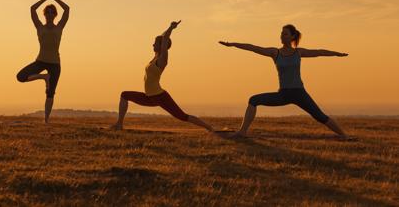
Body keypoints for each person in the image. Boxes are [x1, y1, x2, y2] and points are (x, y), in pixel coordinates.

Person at [219, 24, 352, 139]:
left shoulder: (298, 52)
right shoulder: (275, 52)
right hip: (283, 94)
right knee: (253, 100)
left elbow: (319, 52)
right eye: (281, 33)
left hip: (299, 93)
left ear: (292, 36)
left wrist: (337, 54)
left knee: (320, 116)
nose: (282, 36)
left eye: (285, 33)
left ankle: (344, 135)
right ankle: (242, 132)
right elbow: (253, 47)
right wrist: (232, 44)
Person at [110, 21, 214, 132]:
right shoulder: (155, 57)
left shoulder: (162, 59)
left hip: (159, 96)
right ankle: (119, 125)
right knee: (124, 95)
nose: (153, 44)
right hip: (149, 96)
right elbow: (162, 37)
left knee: (182, 116)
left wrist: (170, 28)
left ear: (162, 46)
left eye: (155, 43)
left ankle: (210, 128)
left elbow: (164, 39)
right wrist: (166, 31)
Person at [16, 0, 70, 123]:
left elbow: (67, 9)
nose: (50, 14)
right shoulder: (39, 27)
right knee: (20, 77)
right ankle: (44, 77)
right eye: (48, 12)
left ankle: (46, 120)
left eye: (52, 12)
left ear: (55, 15)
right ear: (44, 14)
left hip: (55, 64)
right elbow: (32, 9)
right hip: (41, 61)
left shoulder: (59, 27)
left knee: (50, 93)